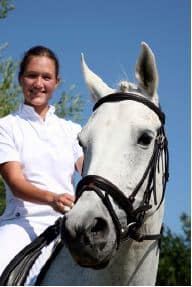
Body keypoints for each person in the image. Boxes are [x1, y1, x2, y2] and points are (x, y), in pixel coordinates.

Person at [0, 46, 84, 281]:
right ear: (20, 79)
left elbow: (89, 171)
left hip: (68, 224)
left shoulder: (72, 130)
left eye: (46, 77)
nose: (38, 83)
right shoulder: (6, 127)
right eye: (32, 75)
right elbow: (16, 183)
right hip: (21, 225)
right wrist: (53, 198)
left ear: (57, 82)